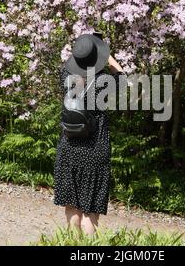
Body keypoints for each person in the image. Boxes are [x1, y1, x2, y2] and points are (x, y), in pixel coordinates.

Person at [53, 33, 124, 235]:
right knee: (90, 211)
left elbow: (72, 63)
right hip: (95, 148)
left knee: (72, 206)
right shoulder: (104, 81)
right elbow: (122, 77)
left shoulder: (66, 76)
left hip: (69, 147)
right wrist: (109, 58)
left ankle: (71, 246)